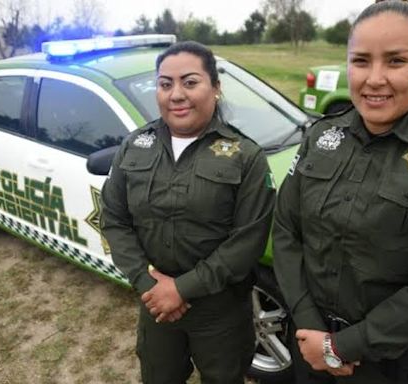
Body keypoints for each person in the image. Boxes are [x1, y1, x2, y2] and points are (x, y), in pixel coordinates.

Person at [273, 1, 408, 383]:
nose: (374, 78)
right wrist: (313, 332)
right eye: (361, 61)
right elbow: (286, 232)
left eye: (396, 61)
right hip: (309, 347)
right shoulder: (320, 135)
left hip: (388, 363)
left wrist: (342, 347)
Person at [100, 41, 275, 384]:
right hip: (156, 304)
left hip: (219, 312)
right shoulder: (135, 145)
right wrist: (148, 282)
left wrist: (181, 289)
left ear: (216, 88)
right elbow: (114, 219)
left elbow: (247, 242)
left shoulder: (246, 156)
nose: (176, 94)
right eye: (165, 84)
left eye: (190, 82)